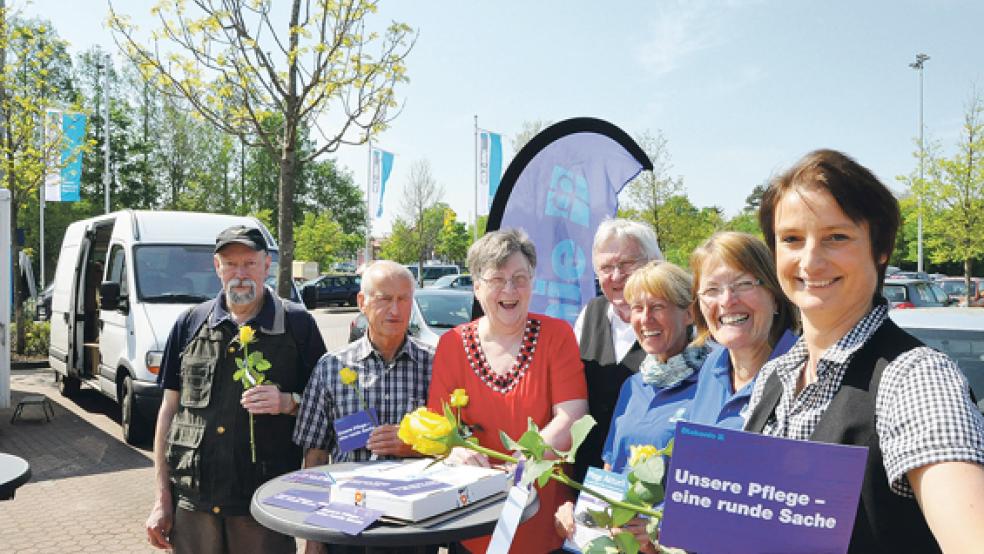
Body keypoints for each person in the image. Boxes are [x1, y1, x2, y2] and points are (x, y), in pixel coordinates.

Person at [745, 149, 984, 553]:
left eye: (836, 237)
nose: (810, 261)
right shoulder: (774, 378)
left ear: (881, 248)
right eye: (791, 240)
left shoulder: (916, 378)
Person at [146, 225, 327, 553]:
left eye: (249, 264)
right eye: (230, 264)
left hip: (263, 507)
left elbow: (326, 416)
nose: (240, 274)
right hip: (193, 507)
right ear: (217, 267)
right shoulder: (189, 323)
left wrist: (288, 402)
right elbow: (169, 412)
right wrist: (162, 500)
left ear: (266, 266)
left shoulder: (298, 326)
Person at [427, 228, 588, 554]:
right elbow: (438, 428)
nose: (510, 289)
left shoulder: (557, 335)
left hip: (542, 514)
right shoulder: (452, 344)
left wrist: (528, 457)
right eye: (496, 279)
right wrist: (455, 451)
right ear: (476, 287)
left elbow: (572, 417)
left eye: (520, 277)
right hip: (473, 519)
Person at [555, 261, 709, 550]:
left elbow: (712, 492)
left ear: (689, 313)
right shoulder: (633, 386)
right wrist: (579, 515)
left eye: (658, 307)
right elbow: (611, 472)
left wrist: (657, 527)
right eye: (637, 308)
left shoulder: (712, 385)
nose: (645, 318)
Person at [293, 260, 435, 554]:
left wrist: (413, 445)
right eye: (384, 299)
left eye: (403, 299)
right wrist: (314, 536)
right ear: (362, 302)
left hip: (413, 527)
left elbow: (457, 444)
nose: (395, 310)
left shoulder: (436, 364)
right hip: (347, 524)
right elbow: (315, 455)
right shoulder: (332, 367)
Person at [572, 218, 663, 482]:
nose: (616, 276)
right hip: (590, 471)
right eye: (606, 267)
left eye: (626, 264)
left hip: (649, 478)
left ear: (652, 263)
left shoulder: (676, 321)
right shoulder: (590, 313)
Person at [687, 231, 797, 429]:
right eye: (712, 290)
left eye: (744, 284)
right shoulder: (712, 366)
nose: (727, 300)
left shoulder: (807, 371)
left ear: (775, 296)